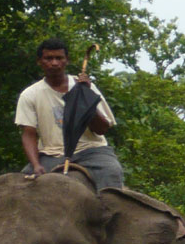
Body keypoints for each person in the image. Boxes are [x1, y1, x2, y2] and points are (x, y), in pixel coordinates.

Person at [15, 37, 125, 188]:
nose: (54, 63)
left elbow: (102, 129)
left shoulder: (86, 87)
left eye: (59, 58)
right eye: (48, 58)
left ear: (67, 60)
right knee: (20, 186)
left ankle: (111, 203)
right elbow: (29, 133)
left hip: (92, 150)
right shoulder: (30, 95)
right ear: (39, 61)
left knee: (113, 173)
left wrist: (86, 98)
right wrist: (36, 165)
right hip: (52, 154)